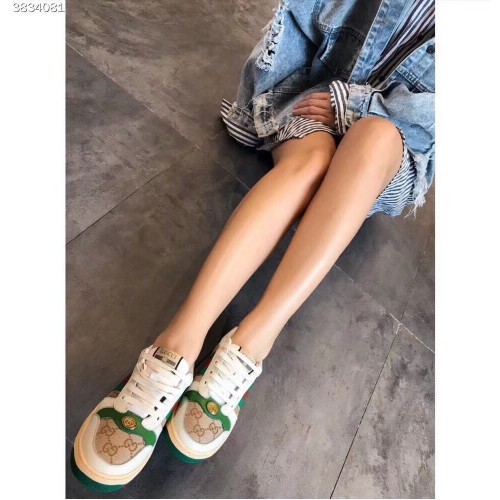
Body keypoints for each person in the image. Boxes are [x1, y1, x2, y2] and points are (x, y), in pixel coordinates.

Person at [71, 0, 435, 491]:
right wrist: (328, 99)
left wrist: (359, 106)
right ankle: (178, 343)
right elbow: (302, 22)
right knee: (310, 164)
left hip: (399, 139)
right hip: (313, 95)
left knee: (375, 137)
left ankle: (250, 344)